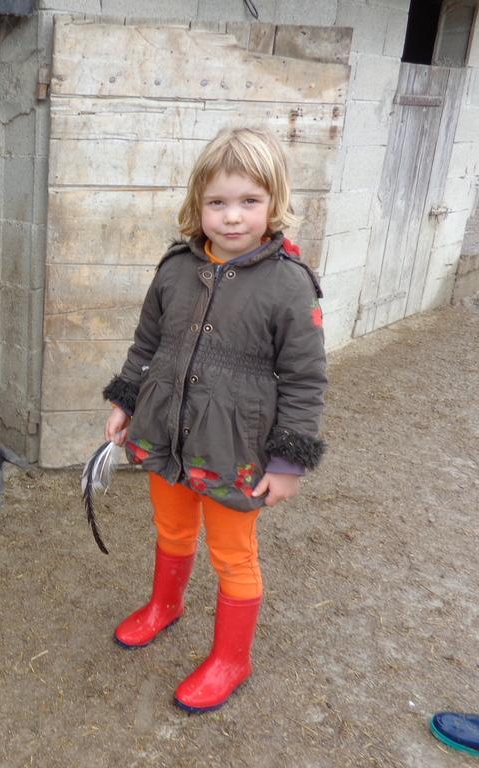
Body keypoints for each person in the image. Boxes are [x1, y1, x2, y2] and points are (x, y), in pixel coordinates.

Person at [101, 127, 327, 713]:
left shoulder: (290, 284)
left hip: (236, 450)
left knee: (233, 553)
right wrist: (125, 400)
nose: (231, 217)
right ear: (196, 204)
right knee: (172, 529)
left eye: (249, 201)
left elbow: (305, 381)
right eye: (217, 202)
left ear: (274, 203)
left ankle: (232, 659)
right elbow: (146, 342)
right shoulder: (175, 267)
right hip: (164, 431)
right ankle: (165, 606)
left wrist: (289, 461)